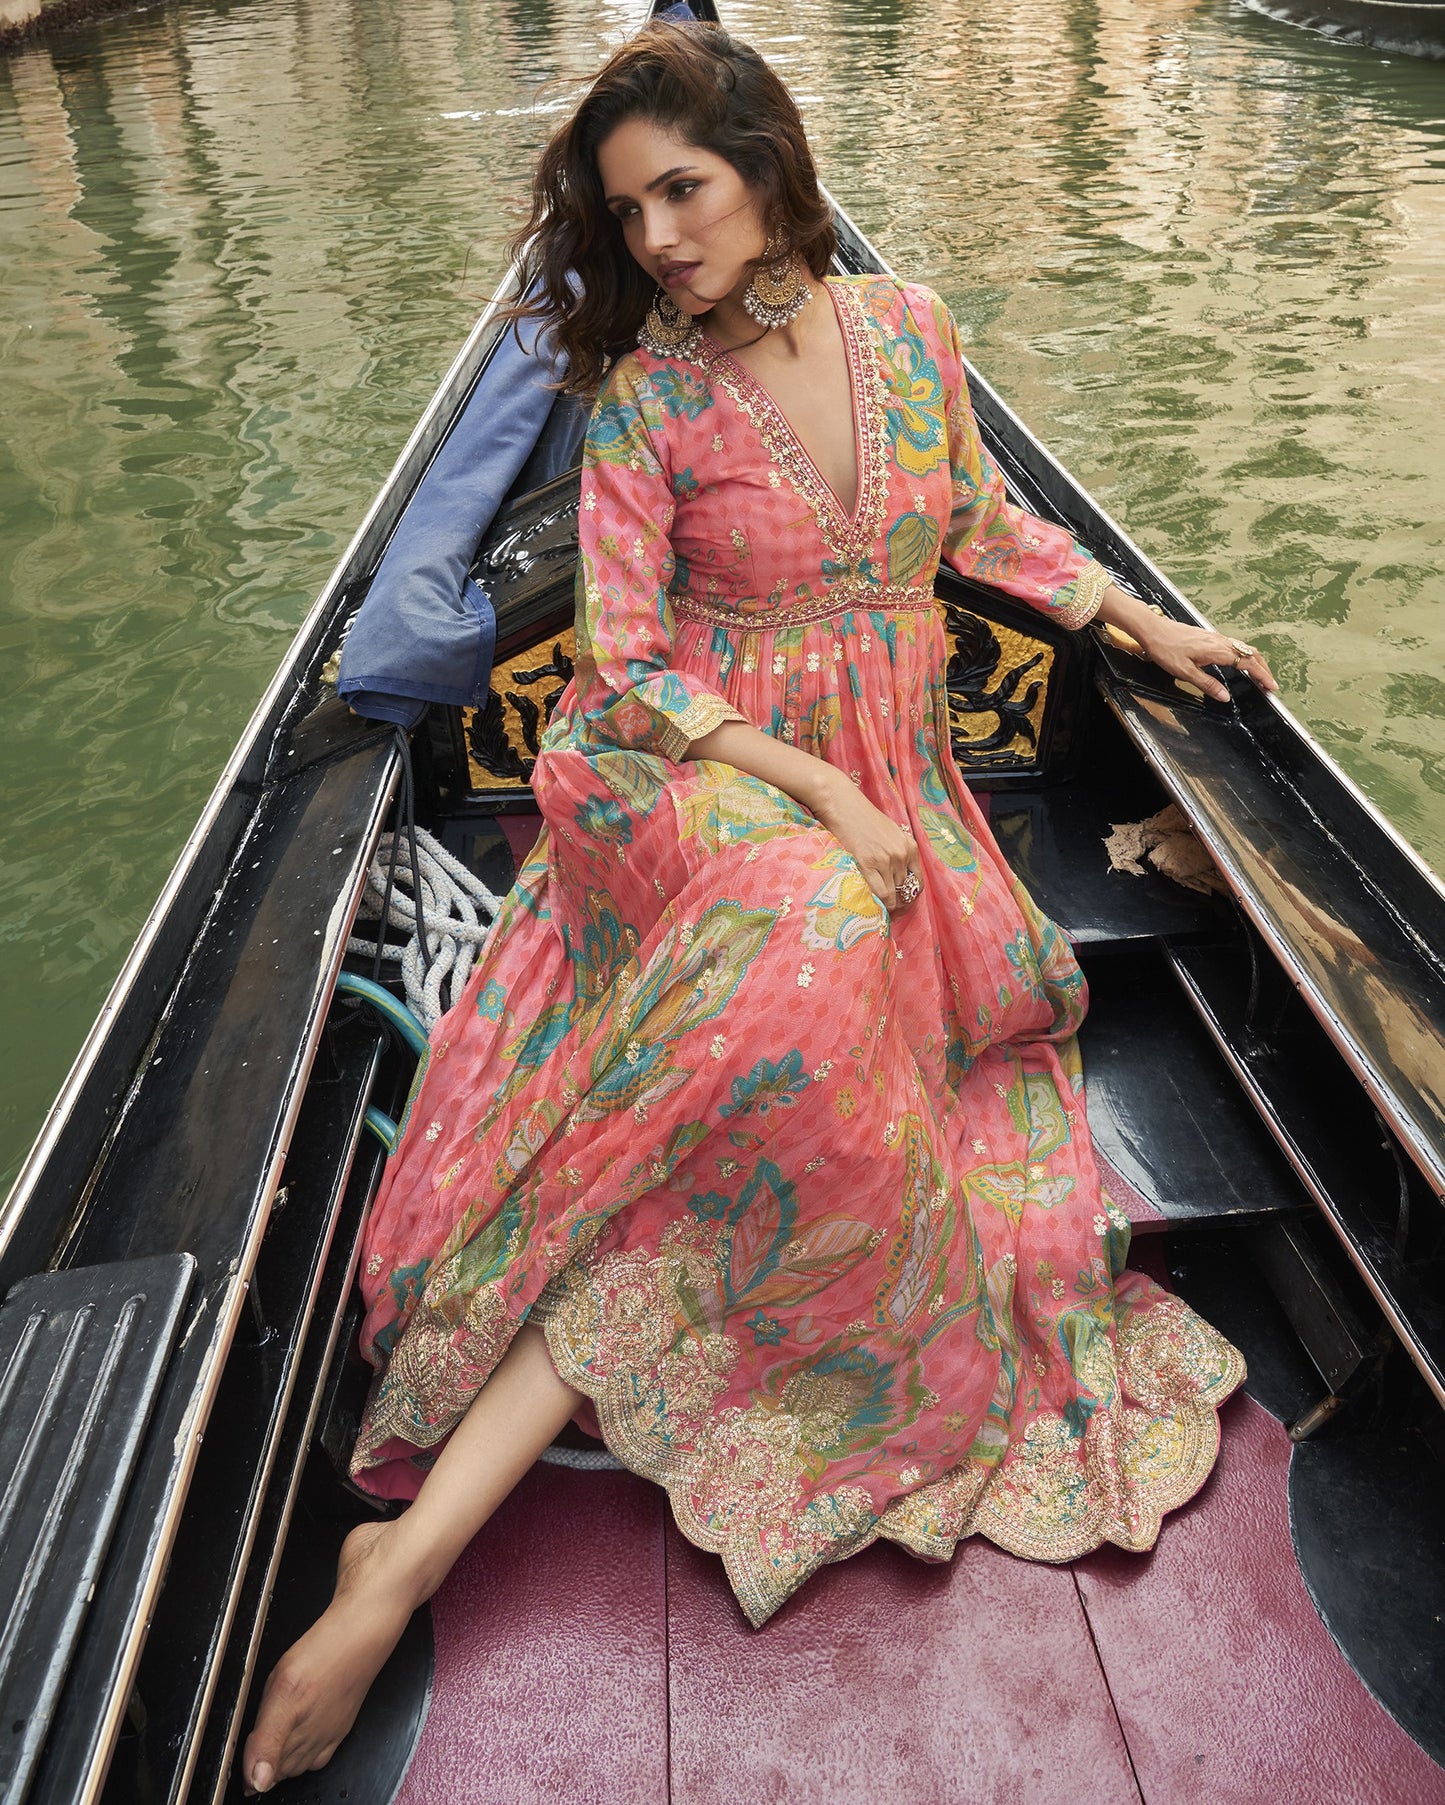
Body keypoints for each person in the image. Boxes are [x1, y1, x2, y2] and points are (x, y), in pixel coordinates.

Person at [241, 18, 1277, 1793]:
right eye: (624, 208)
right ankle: (404, 1561)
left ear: (771, 167)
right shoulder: (646, 401)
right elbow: (625, 671)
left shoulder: (909, 328)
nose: (653, 239)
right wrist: (814, 795)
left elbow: (983, 527)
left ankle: (412, 1550)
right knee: (804, 944)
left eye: (682, 191)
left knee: (814, 1022)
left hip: (885, 776)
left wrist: (1139, 622)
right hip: (682, 772)